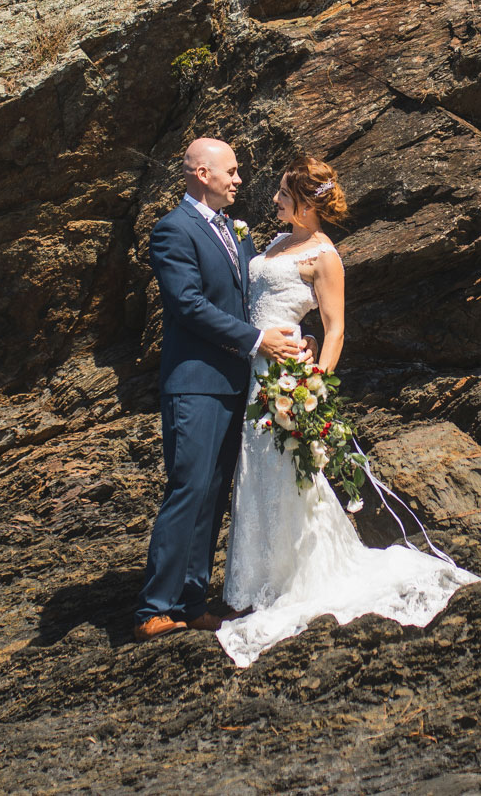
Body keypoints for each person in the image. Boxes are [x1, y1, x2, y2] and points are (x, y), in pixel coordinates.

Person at [216, 155, 479, 667]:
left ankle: (297, 578)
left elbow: (335, 328)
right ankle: (259, 575)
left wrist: (314, 380)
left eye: (283, 195)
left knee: (285, 471)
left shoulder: (324, 255)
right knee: (257, 470)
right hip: (255, 366)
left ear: (304, 201)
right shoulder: (274, 242)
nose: (273, 201)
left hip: (285, 375)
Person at [134, 138, 309, 642]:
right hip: (195, 383)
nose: (238, 179)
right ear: (201, 174)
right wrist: (257, 340)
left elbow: (254, 299)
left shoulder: (236, 231)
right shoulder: (173, 230)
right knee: (187, 487)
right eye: (230, 172)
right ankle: (153, 606)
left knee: (213, 494)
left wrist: (294, 333)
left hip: (237, 384)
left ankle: (191, 601)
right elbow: (186, 304)